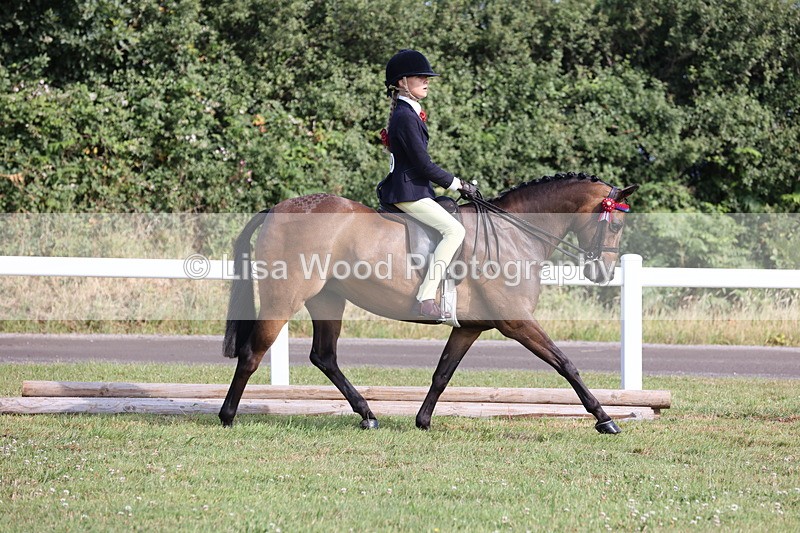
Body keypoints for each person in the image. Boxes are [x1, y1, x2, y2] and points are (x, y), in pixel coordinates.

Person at [376, 49, 478, 319]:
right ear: (401, 82)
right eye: (420, 77)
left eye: (427, 77)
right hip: (407, 191)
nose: (427, 80)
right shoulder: (405, 117)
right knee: (454, 231)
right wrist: (459, 185)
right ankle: (425, 297)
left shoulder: (407, 113)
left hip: (414, 188)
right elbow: (423, 165)